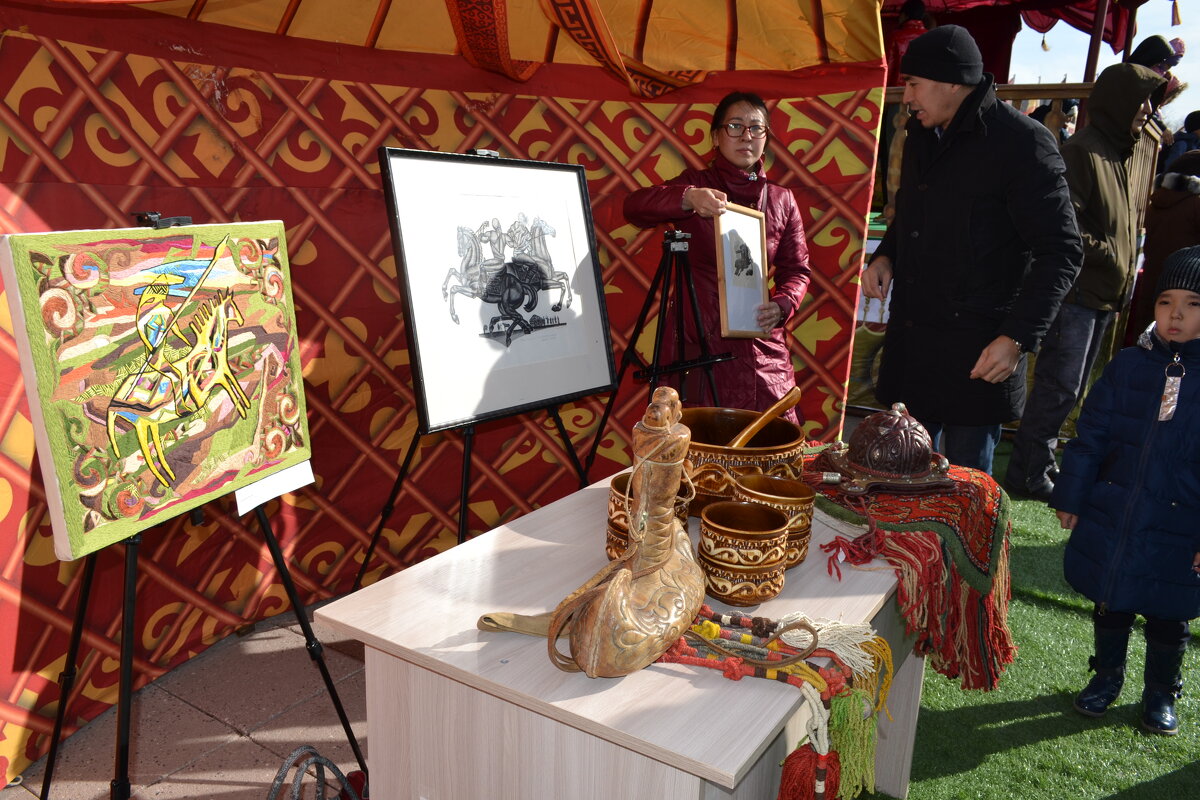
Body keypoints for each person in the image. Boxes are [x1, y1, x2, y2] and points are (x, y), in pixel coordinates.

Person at [861, 25, 1081, 474]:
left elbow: (1062, 251)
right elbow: (913, 213)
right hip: (915, 342)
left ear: (951, 82)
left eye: (915, 84)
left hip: (978, 352)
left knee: (963, 492)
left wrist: (1017, 339)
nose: (908, 97)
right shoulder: (924, 131)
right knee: (901, 476)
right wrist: (886, 255)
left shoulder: (1023, 144)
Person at [1050, 245, 1200, 736]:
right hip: (1114, 510)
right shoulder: (1127, 366)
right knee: (1110, 597)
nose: (1175, 314)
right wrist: (1072, 496)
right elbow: (1090, 435)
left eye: (1193, 303)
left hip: (1181, 521)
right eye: (1165, 301)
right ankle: (1107, 676)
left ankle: (1160, 692)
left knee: (1168, 610)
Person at [1005, 63, 1166, 501]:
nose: (1148, 111)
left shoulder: (1120, 153)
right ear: (1119, 101)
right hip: (1076, 291)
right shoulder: (1082, 151)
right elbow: (1066, 223)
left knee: (1069, 388)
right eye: (1141, 100)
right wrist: (1113, 254)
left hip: (1101, 294)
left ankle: (1038, 465)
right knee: (1059, 387)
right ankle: (1027, 473)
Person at [623, 91, 811, 419]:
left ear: (767, 138)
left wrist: (783, 305)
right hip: (699, 336)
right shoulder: (696, 185)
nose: (746, 137)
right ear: (716, 136)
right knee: (697, 440)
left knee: (768, 440)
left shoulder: (782, 199)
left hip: (758, 338)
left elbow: (797, 269)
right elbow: (635, 206)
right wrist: (687, 198)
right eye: (735, 127)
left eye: (756, 128)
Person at [1124, 149, 1200, 345]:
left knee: (1149, 345)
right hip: (1188, 294)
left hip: (1155, 286)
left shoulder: (1157, 201)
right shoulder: (1195, 204)